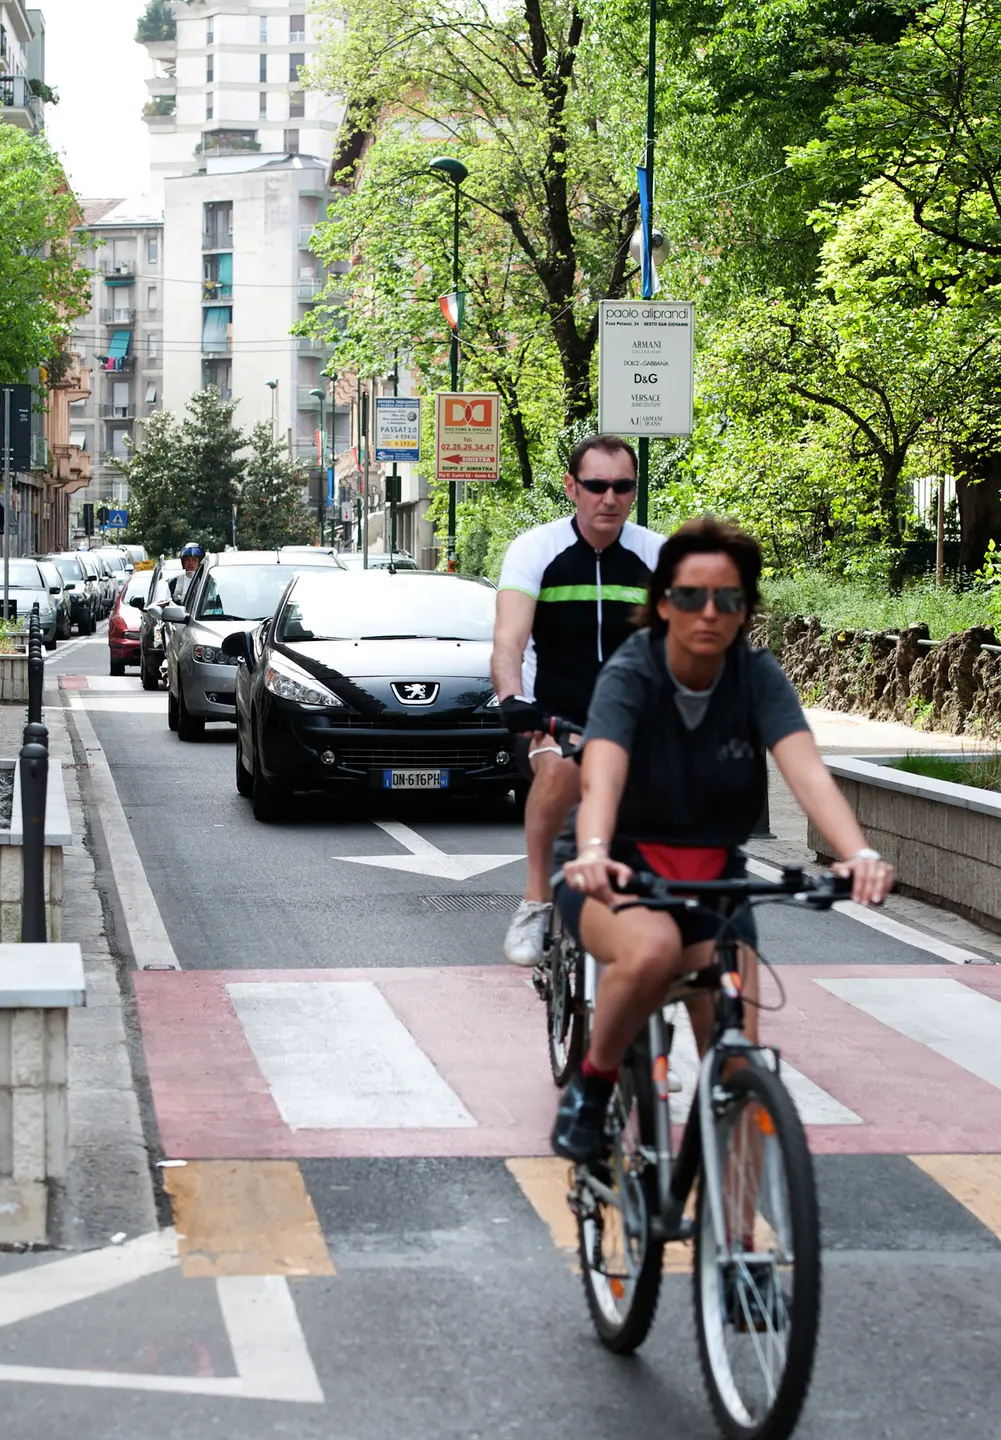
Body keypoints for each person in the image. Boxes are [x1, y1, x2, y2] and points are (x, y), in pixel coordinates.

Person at [550, 516, 896, 1162]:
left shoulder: (756, 675)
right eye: (689, 596)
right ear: (662, 604)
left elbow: (807, 773)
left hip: (713, 881)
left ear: (744, 611)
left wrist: (860, 855)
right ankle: (593, 1086)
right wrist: (593, 852)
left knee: (736, 1067)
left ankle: (737, 1251)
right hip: (613, 870)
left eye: (727, 599)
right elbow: (600, 777)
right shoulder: (633, 673)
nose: (707, 613)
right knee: (652, 950)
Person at [491, 435, 664, 967]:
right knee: (564, 770)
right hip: (552, 715)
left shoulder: (657, 554)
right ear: (572, 487)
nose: (609, 498)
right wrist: (512, 697)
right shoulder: (535, 550)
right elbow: (508, 641)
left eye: (622, 486)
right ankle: (536, 900)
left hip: (635, 721)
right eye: (596, 486)